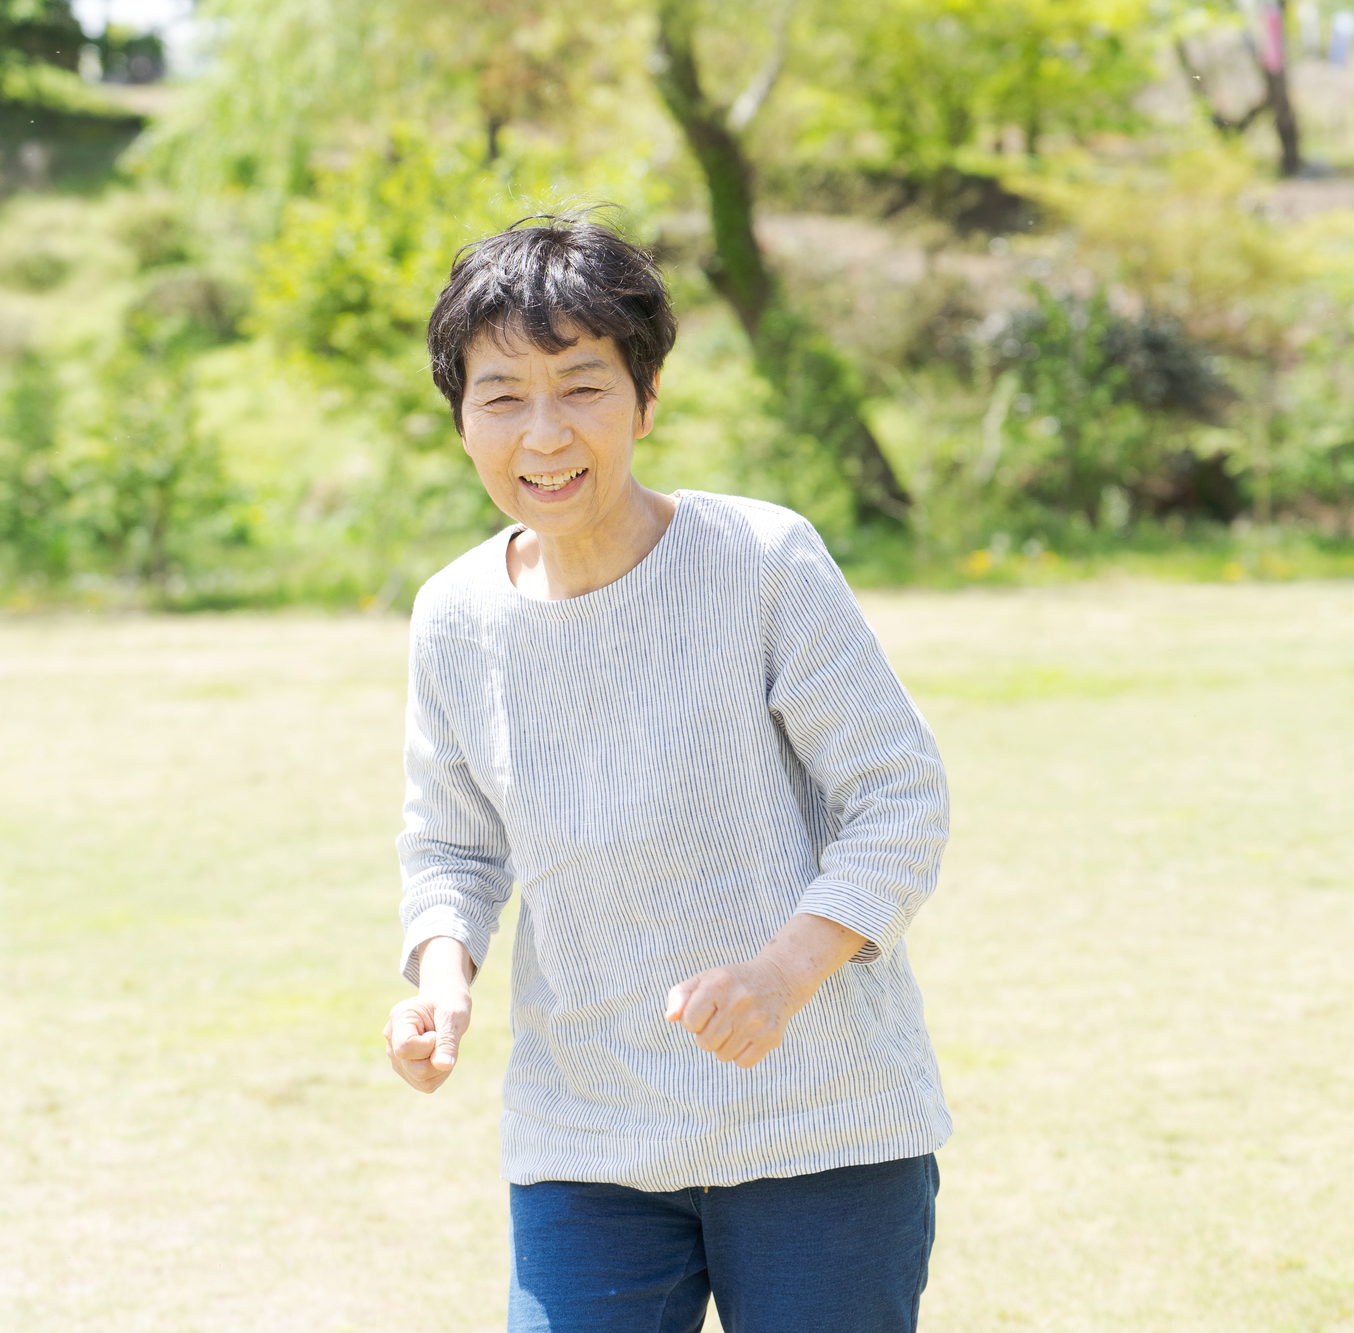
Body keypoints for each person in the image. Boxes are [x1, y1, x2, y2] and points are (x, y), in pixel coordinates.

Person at [383, 214, 951, 1333]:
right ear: (460, 420)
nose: (542, 433)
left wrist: (782, 974)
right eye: (502, 395)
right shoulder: (453, 617)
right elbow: (451, 843)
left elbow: (897, 797)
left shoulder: (760, 562)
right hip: (586, 1137)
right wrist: (441, 980)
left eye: (581, 387)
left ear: (645, 402)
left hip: (820, 1128)